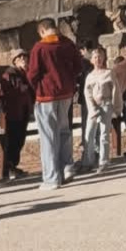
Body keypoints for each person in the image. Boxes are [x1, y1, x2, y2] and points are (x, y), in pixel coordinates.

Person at [26, 19, 83, 191]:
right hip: (66, 93)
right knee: (64, 130)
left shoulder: (39, 47)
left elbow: (33, 74)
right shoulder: (68, 44)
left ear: (42, 31)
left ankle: (51, 178)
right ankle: (67, 167)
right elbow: (78, 67)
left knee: (48, 136)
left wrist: (36, 88)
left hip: (46, 95)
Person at [0, 53, 34, 180]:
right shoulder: (9, 75)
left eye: (25, 57)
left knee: (20, 139)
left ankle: (13, 166)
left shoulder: (26, 74)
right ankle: (9, 168)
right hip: (13, 112)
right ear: (15, 61)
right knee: (13, 140)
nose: (23, 60)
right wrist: (19, 91)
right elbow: (1, 94)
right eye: (20, 58)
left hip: (24, 112)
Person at [82, 48, 120, 173]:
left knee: (104, 134)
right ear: (91, 60)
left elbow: (116, 90)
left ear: (103, 58)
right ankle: (88, 161)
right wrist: (92, 108)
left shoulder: (109, 73)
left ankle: (104, 161)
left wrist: (116, 107)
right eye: (95, 57)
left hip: (106, 104)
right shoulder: (90, 76)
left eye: (100, 56)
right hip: (93, 106)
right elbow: (87, 93)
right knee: (89, 134)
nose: (98, 59)